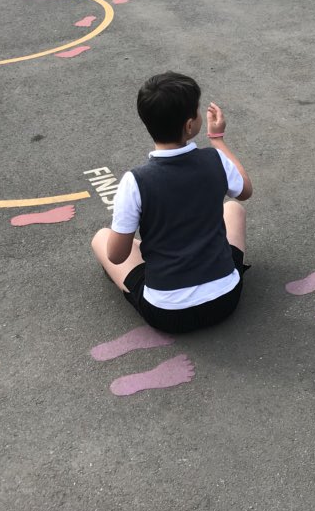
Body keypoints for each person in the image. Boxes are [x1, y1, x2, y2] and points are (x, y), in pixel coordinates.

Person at [90, 72, 252, 335]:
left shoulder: (135, 181)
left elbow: (117, 255)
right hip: (225, 299)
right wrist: (217, 139)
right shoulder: (215, 159)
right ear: (190, 125)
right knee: (233, 208)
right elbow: (245, 190)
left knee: (102, 238)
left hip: (167, 313)